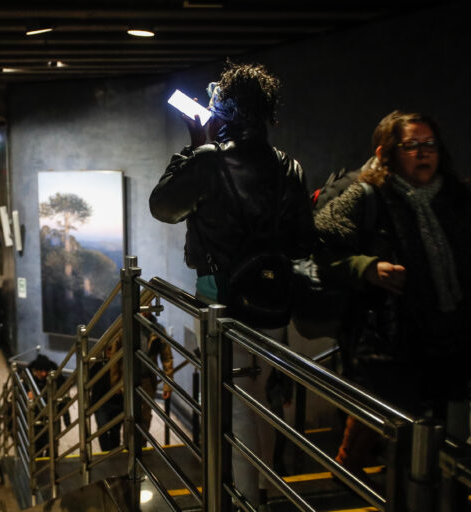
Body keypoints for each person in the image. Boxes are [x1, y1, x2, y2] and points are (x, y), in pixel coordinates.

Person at [149, 61, 315, 505]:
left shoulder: (208, 161)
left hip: (221, 303)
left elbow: (163, 207)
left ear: (221, 114)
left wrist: (195, 147)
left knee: (237, 399)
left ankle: (246, 497)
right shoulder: (289, 166)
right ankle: (261, 485)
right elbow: (304, 240)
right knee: (263, 393)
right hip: (274, 304)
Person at [314, 111, 471, 474]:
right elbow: (320, 246)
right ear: (388, 152)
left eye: (429, 144)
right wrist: (365, 267)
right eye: (411, 145)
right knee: (399, 432)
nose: (422, 153)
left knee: (439, 445)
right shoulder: (369, 195)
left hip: (450, 340)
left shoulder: (455, 197)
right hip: (391, 340)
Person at [108, 312, 174, 446]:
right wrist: (115, 382)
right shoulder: (125, 328)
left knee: (145, 416)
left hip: (147, 380)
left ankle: (141, 446)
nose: (145, 311)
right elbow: (115, 357)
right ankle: (129, 446)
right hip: (128, 378)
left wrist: (168, 385)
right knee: (130, 414)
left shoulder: (158, 330)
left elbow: (167, 358)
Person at [27, 354, 71, 457]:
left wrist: (67, 419)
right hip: (36, 417)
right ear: (35, 370)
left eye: (45, 371)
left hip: (52, 416)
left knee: (52, 446)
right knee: (37, 447)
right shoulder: (27, 377)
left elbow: (63, 398)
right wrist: (27, 395)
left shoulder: (57, 377)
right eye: (41, 371)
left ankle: (51, 469)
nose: (44, 374)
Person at [89, 348, 123, 451]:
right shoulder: (96, 364)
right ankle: (105, 452)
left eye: (111, 350)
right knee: (102, 428)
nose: (110, 353)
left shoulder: (120, 364)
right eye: (108, 350)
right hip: (100, 403)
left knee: (115, 430)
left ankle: (114, 453)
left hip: (117, 402)